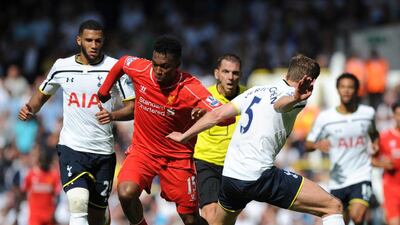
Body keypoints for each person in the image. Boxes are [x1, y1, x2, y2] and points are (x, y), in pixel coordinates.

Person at [167, 54, 345, 225]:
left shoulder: (255, 91)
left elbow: (217, 115)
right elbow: (279, 105)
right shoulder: (297, 97)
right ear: (311, 82)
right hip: (258, 176)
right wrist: (296, 97)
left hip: (231, 177)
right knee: (332, 206)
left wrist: (184, 136)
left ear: (286, 73)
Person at [97, 36, 233, 225]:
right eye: (156, 64)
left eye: (165, 66)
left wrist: (204, 114)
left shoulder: (190, 88)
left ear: (177, 64)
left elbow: (228, 117)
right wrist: (104, 91)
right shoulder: (142, 69)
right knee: (125, 193)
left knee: (190, 219)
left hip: (176, 158)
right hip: (143, 152)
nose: (158, 70)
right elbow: (122, 62)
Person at [18, 19, 135, 225]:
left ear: (103, 41)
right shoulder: (62, 66)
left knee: (97, 217)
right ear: (79, 40)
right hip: (73, 147)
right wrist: (30, 109)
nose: (94, 45)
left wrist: (113, 116)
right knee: (78, 201)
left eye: (98, 40)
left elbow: (133, 107)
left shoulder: (115, 68)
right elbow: (42, 94)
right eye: (89, 40)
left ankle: (102, 215)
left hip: (103, 151)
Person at [305, 73, 379, 225]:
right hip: (338, 180)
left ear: (357, 90)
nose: (346, 91)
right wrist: (318, 145)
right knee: (341, 221)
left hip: (361, 175)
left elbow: (374, 133)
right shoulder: (325, 118)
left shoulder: (367, 113)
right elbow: (308, 144)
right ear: (338, 90)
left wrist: (375, 143)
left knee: (357, 217)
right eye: (343, 87)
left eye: (350, 87)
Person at [193, 53, 246, 224]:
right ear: (217, 73)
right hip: (206, 161)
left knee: (225, 220)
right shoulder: (203, 96)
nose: (230, 77)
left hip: (235, 166)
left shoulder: (250, 97)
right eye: (226, 72)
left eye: (235, 73)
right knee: (210, 213)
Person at [372, 102, 400, 225]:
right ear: (394, 116)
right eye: (398, 114)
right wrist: (383, 164)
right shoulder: (384, 137)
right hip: (392, 190)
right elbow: (371, 159)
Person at [22, 148, 60, 225]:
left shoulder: (54, 175)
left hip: (49, 216)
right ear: (38, 161)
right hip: (35, 216)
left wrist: (54, 211)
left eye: (46, 161)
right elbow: (23, 190)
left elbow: (57, 194)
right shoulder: (31, 174)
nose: (44, 163)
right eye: (42, 161)